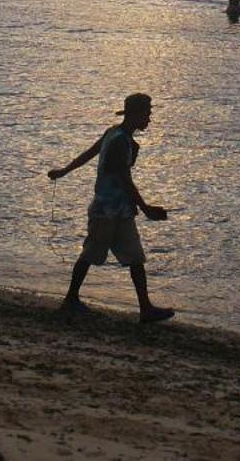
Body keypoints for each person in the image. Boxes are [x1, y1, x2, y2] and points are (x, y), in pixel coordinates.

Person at [47, 93, 174, 323]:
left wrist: (64, 171)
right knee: (90, 253)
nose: (150, 118)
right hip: (106, 210)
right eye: (147, 113)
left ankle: (145, 308)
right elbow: (125, 179)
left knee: (135, 257)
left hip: (121, 211)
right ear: (135, 115)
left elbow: (89, 154)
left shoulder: (114, 134)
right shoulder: (119, 141)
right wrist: (146, 209)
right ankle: (70, 299)